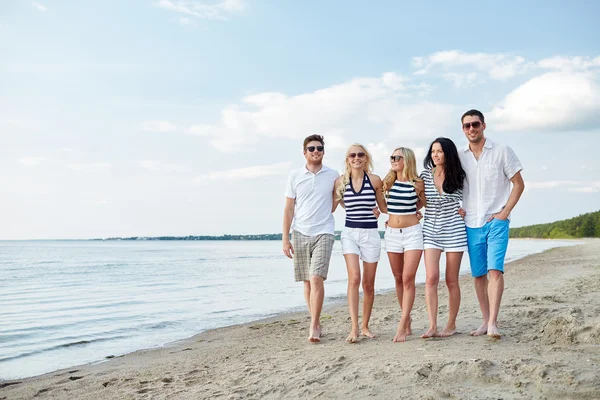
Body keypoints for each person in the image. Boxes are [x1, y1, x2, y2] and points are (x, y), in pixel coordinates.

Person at [458, 109, 525, 339]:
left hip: (496, 221)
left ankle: (494, 322)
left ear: (483, 125)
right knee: (478, 275)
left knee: (495, 270)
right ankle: (485, 321)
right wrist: (455, 207)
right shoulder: (459, 156)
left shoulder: (502, 151)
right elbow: (447, 184)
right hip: (471, 222)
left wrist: (505, 212)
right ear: (463, 129)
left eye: (475, 124)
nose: (471, 129)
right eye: (466, 126)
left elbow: (518, 184)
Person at [282, 134, 339, 343]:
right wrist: (285, 238)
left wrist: (372, 209)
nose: (316, 151)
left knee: (316, 278)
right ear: (304, 152)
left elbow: (341, 199)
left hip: (324, 231)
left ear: (323, 151)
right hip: (299, 232)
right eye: (312, 148)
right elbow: (289, 209)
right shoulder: (295, 176)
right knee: (307, 282)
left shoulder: (333, 175)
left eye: (320, 148)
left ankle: (314, 325)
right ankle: (316, 320)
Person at [333, 144, 387, 343]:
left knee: (368, 284)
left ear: (366, 158)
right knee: (354, 278)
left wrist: (414, 208)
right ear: (348, 159)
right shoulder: (340, 181)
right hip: (349, 234)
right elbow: (333, 204)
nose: (356, 158)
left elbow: (384, 206)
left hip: (371, 234)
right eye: (352, 155)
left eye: (360, 155)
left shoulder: (374, 180)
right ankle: (354, 328)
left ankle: (365, 326)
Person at [419, 137, 467, 339]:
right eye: (432, 152)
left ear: (448, 152)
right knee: (431, 278)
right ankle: (432, 325)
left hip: (454, 228)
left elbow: (472, 197)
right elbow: (418, 201)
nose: (435, 155)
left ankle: (451, 324)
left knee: (451, 280)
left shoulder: (460, 174)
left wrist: (466, 210)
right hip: (430, 229)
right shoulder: (424, 175)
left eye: (439, 151)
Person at [382, 147, 425, 342]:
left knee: (408, 278)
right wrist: (392, 217)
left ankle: (402, 323)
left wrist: (412, 213)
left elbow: (423, 202)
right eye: (391, 157)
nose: (393, 160)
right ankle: (407, 318)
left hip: (412, 234)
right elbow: (383, 205)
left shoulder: (417, 183)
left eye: (396, 157)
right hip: (391, 235)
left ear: (406, 159)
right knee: (398, 278)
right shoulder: (387, 183)